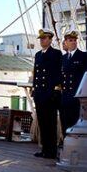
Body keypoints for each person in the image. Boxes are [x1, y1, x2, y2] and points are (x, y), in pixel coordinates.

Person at [31, 28, 62, 159]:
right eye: (41, 39)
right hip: (40, 93)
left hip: (49, 94)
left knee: (50, 123)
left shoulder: (56, 54)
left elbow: (59, 74)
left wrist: (55, 90)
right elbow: (36, 74)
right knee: (42, 123)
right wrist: (34, 90)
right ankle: (44, 149)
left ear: (50, 39)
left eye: (44, 38)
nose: (42, 41)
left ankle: (52, 151)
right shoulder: (38, 55)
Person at [59, 29, 87, 135]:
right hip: (65, 96)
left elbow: (86, 77)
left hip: (76, 96)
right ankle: (65, 144)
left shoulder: (83, 56)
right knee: (65, 122)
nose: (73, 42)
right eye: (70, 40)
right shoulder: (63, 58)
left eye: (74, 40)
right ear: (66, 43)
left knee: (76, 123)